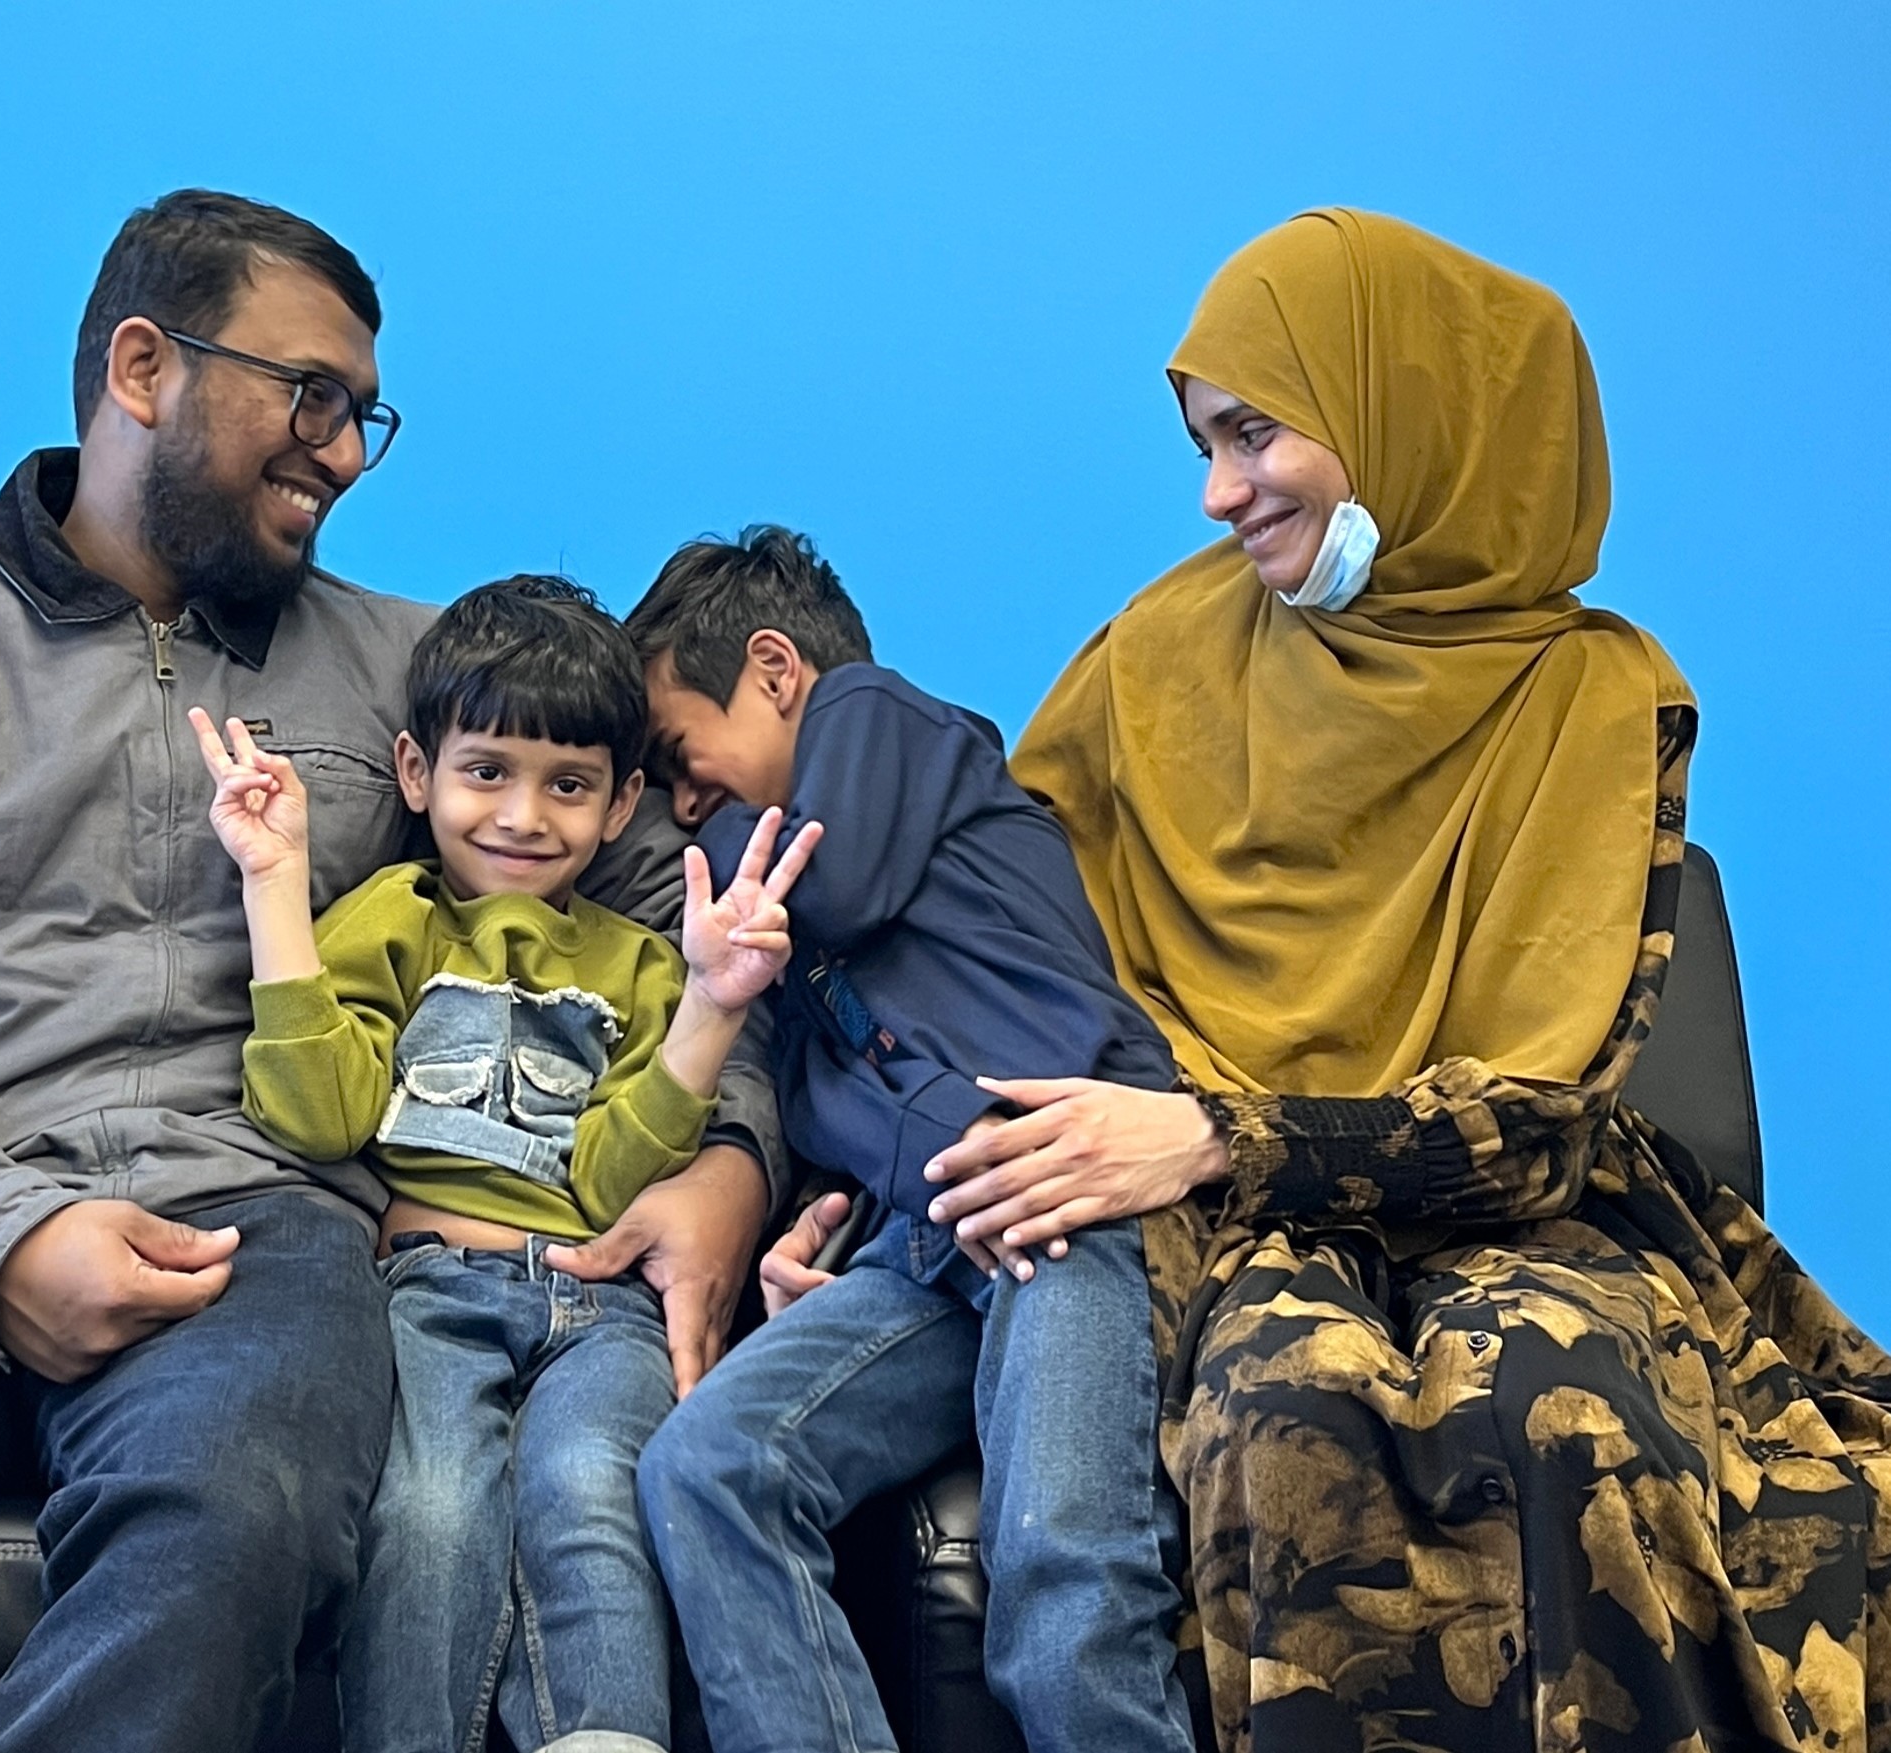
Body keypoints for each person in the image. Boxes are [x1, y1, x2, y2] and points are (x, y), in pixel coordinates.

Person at [0, 190, 782, 1753]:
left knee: (227, 1525)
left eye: (361, 415)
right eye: (309, 396)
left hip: (255, 1237)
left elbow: (680, 918)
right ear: (144, 367)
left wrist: (729, 1156)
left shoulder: (418, 670)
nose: (340, 450)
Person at [771, 207, 1891, 1750]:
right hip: (1209, 1214)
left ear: (1404, 415)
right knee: (1278, 1409)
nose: (1218, 493)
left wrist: (1233, 1133)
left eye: (1253, 435)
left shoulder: (1590, 692)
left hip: (1505, 1196)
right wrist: (870, 1187)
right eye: (1200, 445)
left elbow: (1543, 1113)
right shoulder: (1156, 652)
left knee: (1563, 1407)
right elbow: (984, 958)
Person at [186, 575, 820, 1753]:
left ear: (623, 802)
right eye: (487, 772)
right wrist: (274, 886)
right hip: (428, 1289)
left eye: (568, 784)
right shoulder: (390, 920)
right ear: (417, 774)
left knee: (590, 1483)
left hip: (604, 1300)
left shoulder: (638, 963)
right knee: (428, 1510)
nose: (524, 816)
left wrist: (712, 1008)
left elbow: (611, 1175)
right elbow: (320, 1112)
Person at [625, 527, 1196, 1752]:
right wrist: (809, 1224)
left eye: (680, 756)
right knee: (705, 1467)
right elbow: (836, 1089)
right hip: (926, 1239)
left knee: (1058, 1572)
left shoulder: (876, 719)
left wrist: (678, 859)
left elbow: (825, 885)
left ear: (776, 672)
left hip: (1064, 1187)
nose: (684, 805)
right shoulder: (785, 963)